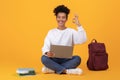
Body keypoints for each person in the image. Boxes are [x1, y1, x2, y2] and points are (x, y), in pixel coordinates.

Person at [41, 5, 87, 75]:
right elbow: (45, 47)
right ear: (56, 18)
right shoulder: (51, 32)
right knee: (44, 58)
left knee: (77, 59)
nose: (61, 19)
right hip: (54, 59)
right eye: (59, 17)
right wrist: (47, 53)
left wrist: (78, 25)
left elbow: (83, 39)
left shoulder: (71, 31)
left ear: (66, 19)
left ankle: (53, 69)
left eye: (63, 17)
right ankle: (68, 71)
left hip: (67, 60)